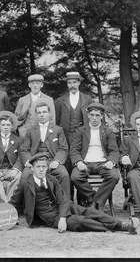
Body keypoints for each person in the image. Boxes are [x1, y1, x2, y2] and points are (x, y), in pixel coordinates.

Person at [9, 153, 140, 234]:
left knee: (90, 212)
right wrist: (2, 217)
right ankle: (119, 228)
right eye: (38, 167)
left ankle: (122, 224)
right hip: (49, 216)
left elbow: (62, 199)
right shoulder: (26, 183)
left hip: (63, 207)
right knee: (80, 222)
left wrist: (62, 217)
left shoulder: (51, 179)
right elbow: (13, 202)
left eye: (44, 166)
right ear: (32, 168)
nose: (41, 170)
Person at [70, 102, 120, 211]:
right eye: (92, 115)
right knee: (75, 177)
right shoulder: (80, 131)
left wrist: (111, 161)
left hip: (102, 163)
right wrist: (79, 162)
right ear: (88, 115)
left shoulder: (108, 131)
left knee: (114, 176)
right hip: (85, 162)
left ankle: (96, 202)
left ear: (102, 116)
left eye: (97, 115)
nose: (94, 118)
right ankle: (94, 199)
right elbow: (74, 150)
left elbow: (114, 151)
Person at [55, 71, 93, 199]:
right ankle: (68, 198)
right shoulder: (60, 101)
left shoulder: (87, 99)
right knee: (67, 167)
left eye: (74, 82)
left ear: (79, 83)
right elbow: (57, 122)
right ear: (67, 84)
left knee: (80, 166)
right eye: (69, 82)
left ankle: (83, 199)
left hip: (82, 138)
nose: (72, 85)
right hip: (66, 137)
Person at [20, 100, 70, 197]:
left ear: (49, 113)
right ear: (36, 115)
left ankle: (65, 205)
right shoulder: (30, 131)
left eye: (44, 112)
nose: (42, 115)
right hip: (35, 162)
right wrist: (28, 162)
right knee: (25, 176)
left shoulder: (58, 130)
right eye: (39, 112)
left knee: (64, 174)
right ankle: (27, 206)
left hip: (52, 161)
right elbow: (24, 149)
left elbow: (63, 148)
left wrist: (57, 161)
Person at [0, 111, 23, 202]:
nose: (5, 127)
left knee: (19, 176)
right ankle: (3, 202)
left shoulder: (18, 140)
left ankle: (9, 201)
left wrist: (15, 170)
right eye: (3, 125)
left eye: (8, 125)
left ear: (12, 126)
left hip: (11, 168)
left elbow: (21, 157)